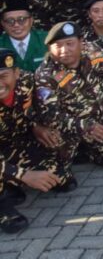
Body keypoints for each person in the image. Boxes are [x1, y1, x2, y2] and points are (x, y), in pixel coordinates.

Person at [34, 22, 103, 175]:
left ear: (81, 42)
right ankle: (68, 159)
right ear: (49, 49)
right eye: (57, 46)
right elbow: (51, 116)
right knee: (56, 171)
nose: (64, 50)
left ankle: (88, 152)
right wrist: (86, 126)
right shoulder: (45, 75)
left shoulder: (92, 51)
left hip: (100, 121)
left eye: (69, 44)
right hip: (69, 130)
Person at [0, 49, 69, 234]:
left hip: (12, 144)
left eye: (3, 76)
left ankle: (10, 184)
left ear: (16, 73)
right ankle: (3, 207)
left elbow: (44, 111)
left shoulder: (27, 82)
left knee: (60, 178)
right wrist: (24, 175)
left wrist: (37, 126)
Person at [0, 0, 46, 72]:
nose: (16, 25)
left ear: (31, 20)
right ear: (3, 23)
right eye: (9, 21)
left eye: (22, 19)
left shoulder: (47, 40)